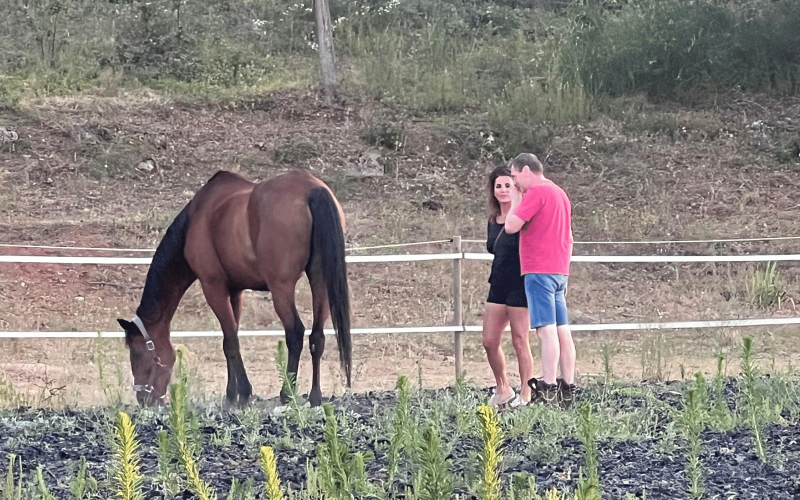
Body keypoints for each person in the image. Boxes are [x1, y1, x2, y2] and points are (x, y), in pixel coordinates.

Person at [503, 153, 576, 406]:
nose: (514, 183)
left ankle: (548, 387)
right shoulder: (560, 193)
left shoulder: (537, 192)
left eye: (514, 176)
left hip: (538, 269)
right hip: (559, 269)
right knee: (562, 329)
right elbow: (569, 237)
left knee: (545, 331)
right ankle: (568, 386)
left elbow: (511, 225)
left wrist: (514, 201)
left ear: (525, 170)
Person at [482, 166, 534, 407]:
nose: (503, 190)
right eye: (498, 186)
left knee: (520, 340)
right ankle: (503, 388)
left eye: (507, 185)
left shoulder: (524, 216)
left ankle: (526, 392)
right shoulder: (494, 220)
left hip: (520, 284)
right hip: (497, 284)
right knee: (489, 341)